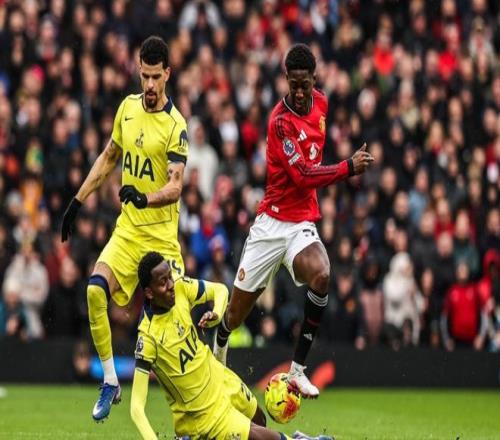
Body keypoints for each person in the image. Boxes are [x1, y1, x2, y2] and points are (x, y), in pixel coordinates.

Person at [213, 43, 374, 397]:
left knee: (322, 274)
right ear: (285, 79)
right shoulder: (280, 123)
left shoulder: (323, 105)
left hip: (301, 222)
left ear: (314, 79)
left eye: (305, 85)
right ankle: (218, 352)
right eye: (293, 85)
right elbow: (301, 176)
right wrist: (347, 168)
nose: (299, 93)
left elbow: (312, 165)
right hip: (270, 224)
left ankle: (297, 371)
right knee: (234, 316)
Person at [60, 36, 189, 421]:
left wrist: (143, 198)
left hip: (161, 241)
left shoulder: (176, 125)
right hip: (128, 234)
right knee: (94, 291)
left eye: (155, 77)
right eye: (144, 76)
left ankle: (197, 411)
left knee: (174, 335)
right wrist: (77, 201)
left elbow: (175, 187)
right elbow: (108, 157)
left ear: (168, 74)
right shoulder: (127, 109)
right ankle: (111, 381)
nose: (149, 84)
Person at [130, 251, 332, 440]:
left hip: (219, 377)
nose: (171, 285)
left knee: (260, 420)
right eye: (163, 282)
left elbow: (220, 290)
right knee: (256, 435)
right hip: (203, 414)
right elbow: (136, 408)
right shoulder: (148, 338)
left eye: (170, 277)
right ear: (149, 292)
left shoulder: (181, 288)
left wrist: (217, 313)